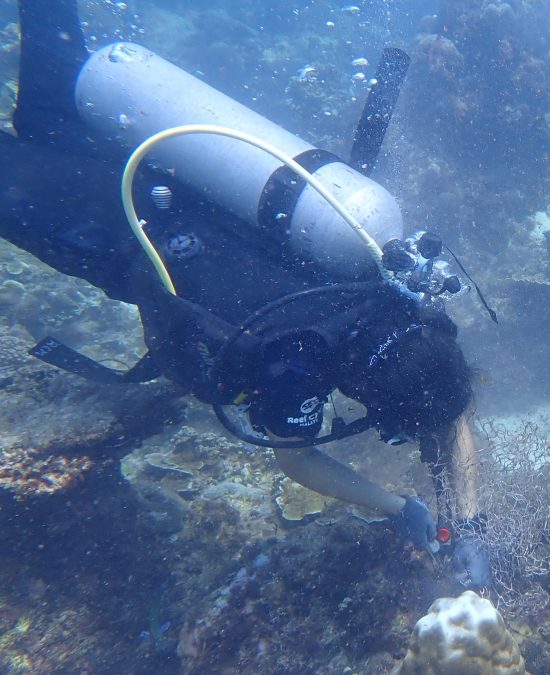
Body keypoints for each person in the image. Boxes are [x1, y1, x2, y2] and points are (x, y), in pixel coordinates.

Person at [0, 0, 486, 576]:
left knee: (57, 89)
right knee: (37, 136)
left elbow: (447, 404)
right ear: (373, 398)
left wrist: (470, 523)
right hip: (102, 228)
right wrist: (399, 507)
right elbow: (300, 463)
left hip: (159, 161)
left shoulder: (398, 292)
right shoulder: (297, 363)